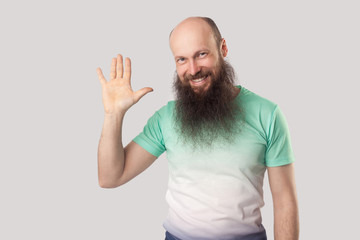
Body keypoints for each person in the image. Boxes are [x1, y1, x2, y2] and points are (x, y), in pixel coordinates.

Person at [97, 17, 299, 240]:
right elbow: (110, 177)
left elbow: (284, 202)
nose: (193, 69)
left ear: (223, 48)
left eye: (201, 54)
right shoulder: (167, 118)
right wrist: (113, 115)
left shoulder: (267, 114)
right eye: (182, 59)